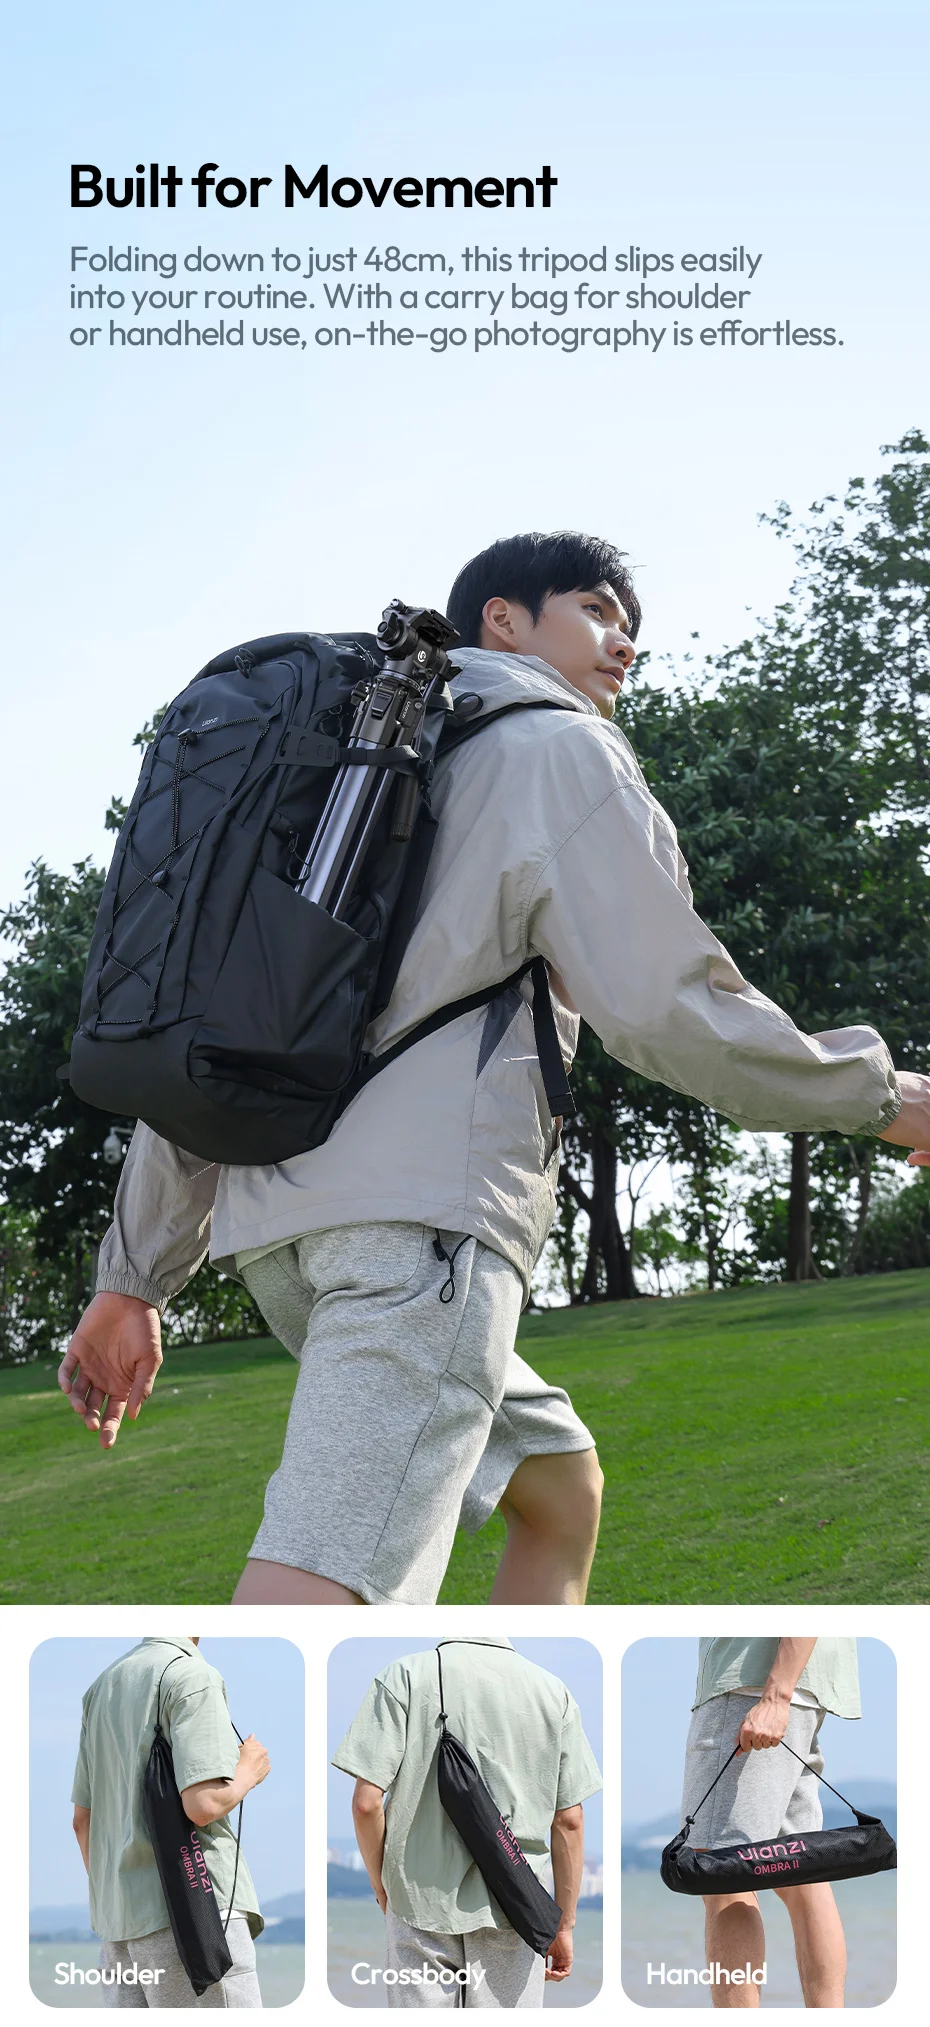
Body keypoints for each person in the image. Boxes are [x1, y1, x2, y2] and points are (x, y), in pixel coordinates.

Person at [58, 531, 930, 1607]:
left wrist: (132, 1278)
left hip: (283, 1239)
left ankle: (504, 1702)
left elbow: (214, 1032)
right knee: (321, 1597)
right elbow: (669, 1009)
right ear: (503, 620)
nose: (625, 644)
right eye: (598, 611)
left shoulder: (338, 769)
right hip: (421, 1239)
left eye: (632, 628)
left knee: (561, 1487)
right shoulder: (558, 752)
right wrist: (885, 1098)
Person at [332, 1635, 601, 2008]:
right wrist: (563, 1925)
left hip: (417, 1901)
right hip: (516, 1907)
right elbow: (569, 1820)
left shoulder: (404, 1676)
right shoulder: (554, 1693)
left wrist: (382, 1887)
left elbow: (366, 1804)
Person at [71, 1635, 269, 2009]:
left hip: (118, 1931)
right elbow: (204, 1804)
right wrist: (249, 1770)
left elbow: (83, 1821)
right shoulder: (191, 1675)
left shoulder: (100, 1689)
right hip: (194, 1914)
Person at [682, 1637, 861, 2009]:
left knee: (721, 1871)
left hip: (754, 1683)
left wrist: (776, 1696)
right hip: (800, 1685)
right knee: (802, 1875)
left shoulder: (765, 1691)